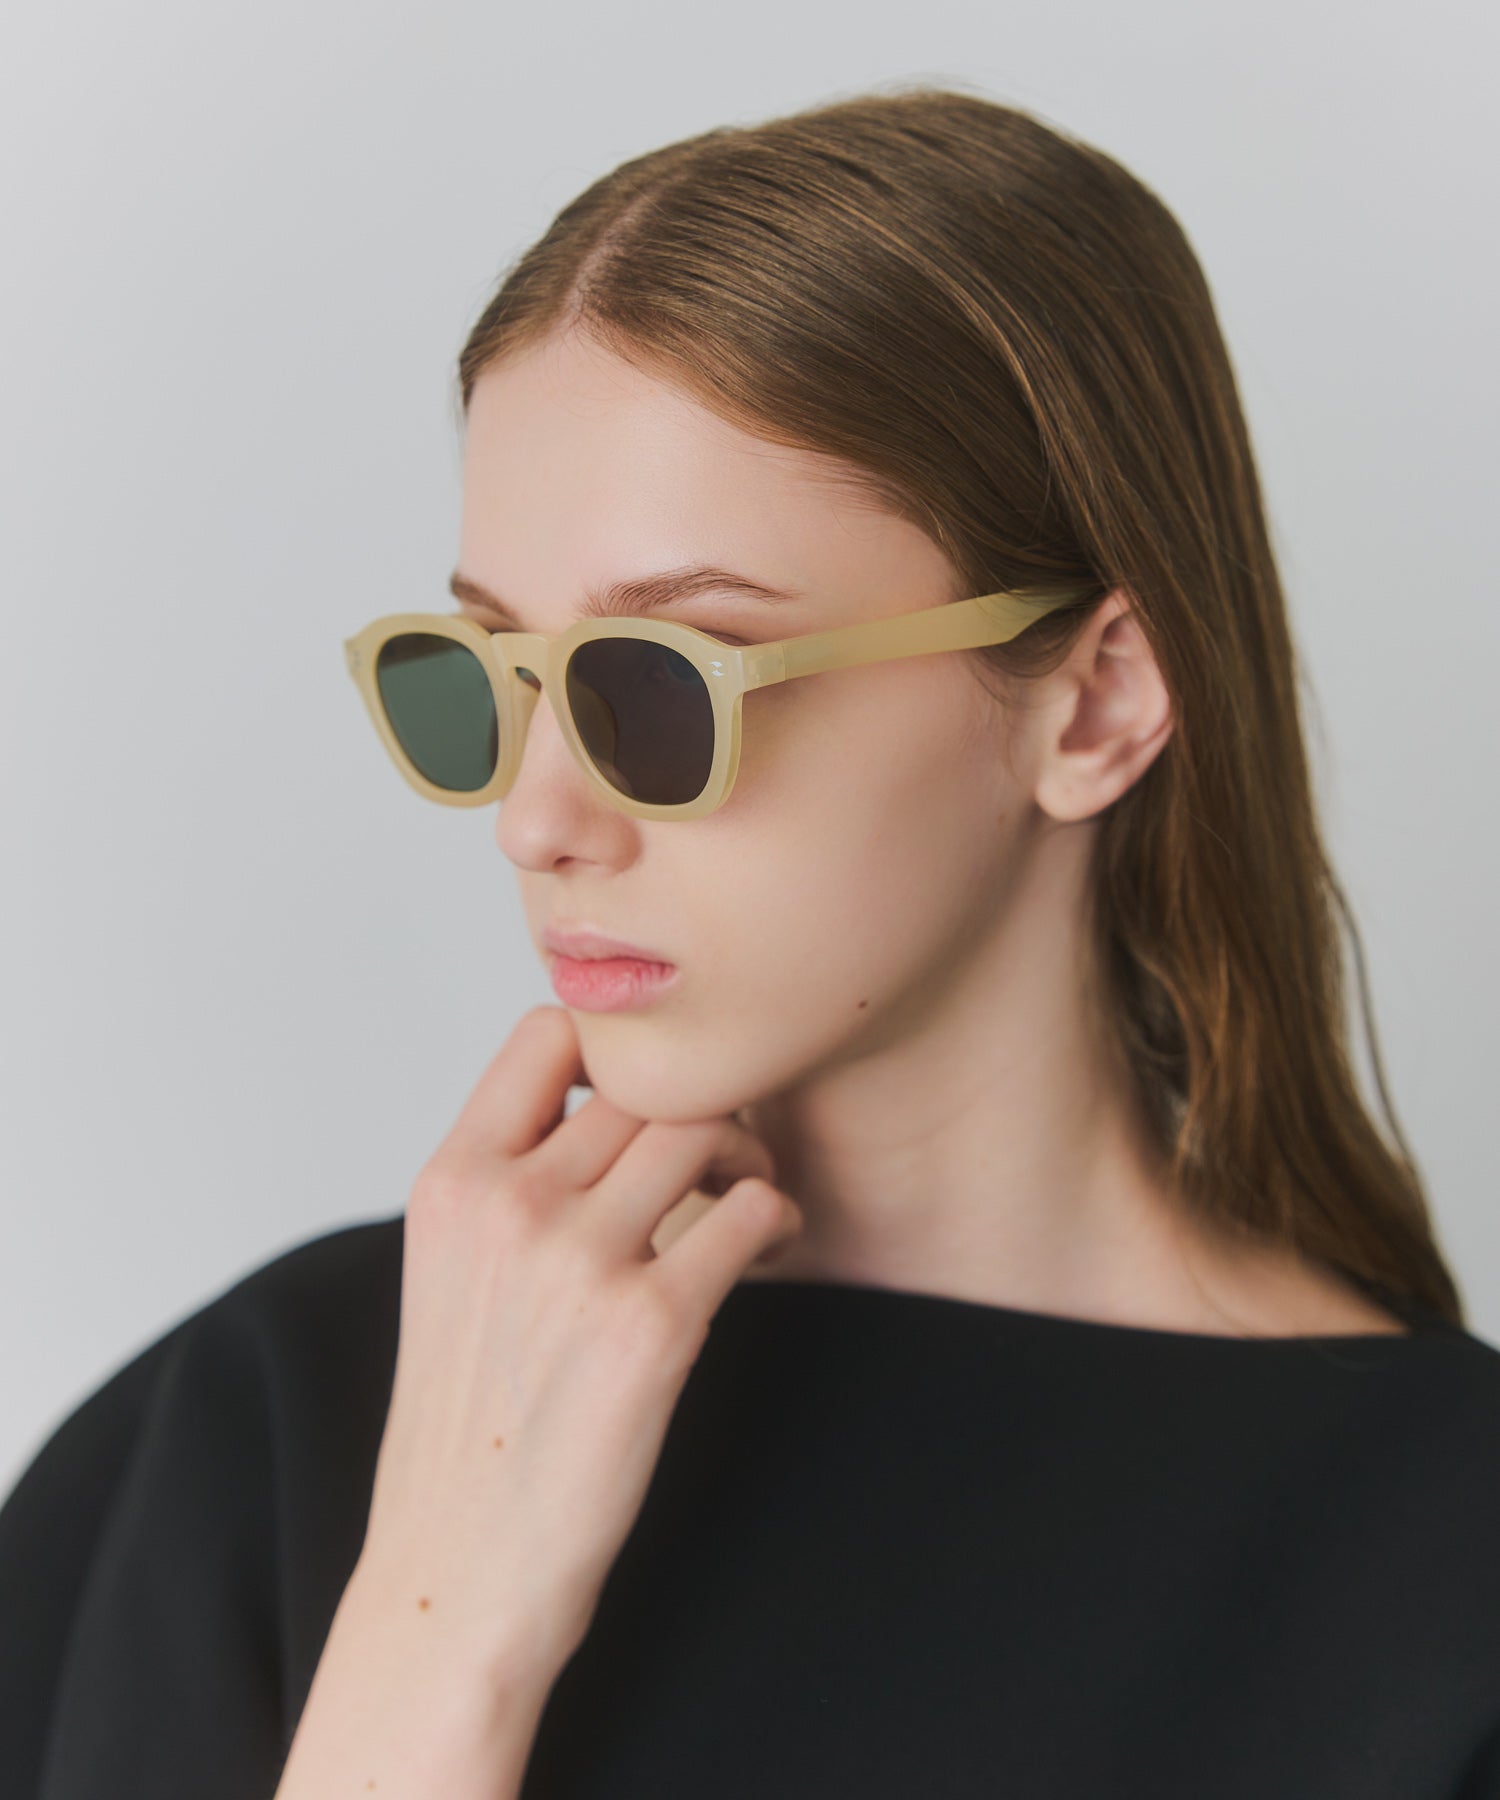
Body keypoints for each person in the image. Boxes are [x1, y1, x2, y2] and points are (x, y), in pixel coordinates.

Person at [2, 83, 1497, 1800]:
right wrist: (442, 1622)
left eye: (659, 682)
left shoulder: (1444, 1576)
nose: (536, 819)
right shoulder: (257, 1430)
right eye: (487, 677)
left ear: (1098, 699)